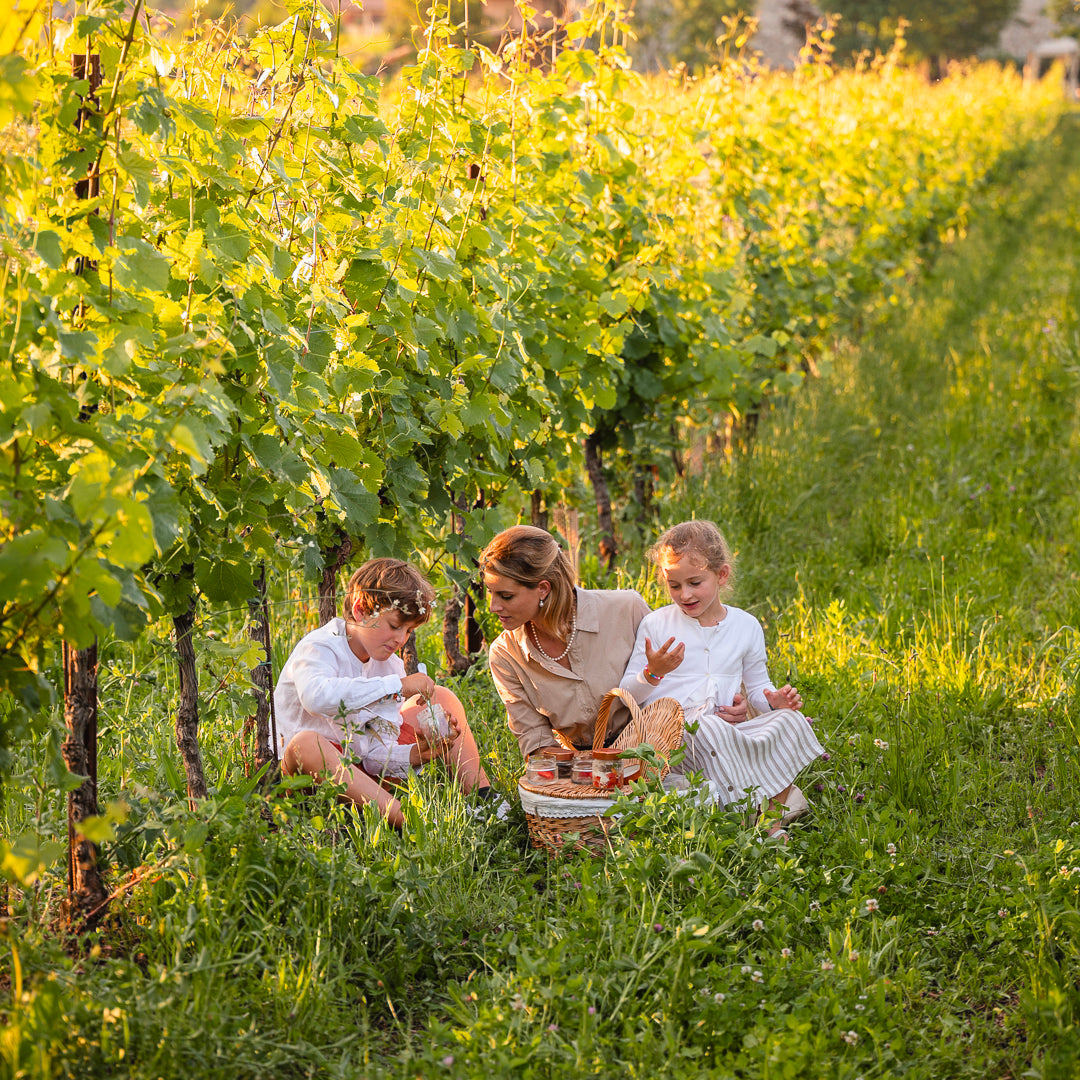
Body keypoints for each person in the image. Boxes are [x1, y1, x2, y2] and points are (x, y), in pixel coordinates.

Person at [619, 519, 824, 835]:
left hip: (726, 733)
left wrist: (773, 702)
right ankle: (759, 816)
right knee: (710, 726)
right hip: (673, 740)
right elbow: (626, 694)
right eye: (674, 585)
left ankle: (765, 818)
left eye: (695, 582)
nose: (685, 594)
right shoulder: (656, 625)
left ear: (722, 575)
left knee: (791, 721)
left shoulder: (746, 626)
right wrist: (653, 672)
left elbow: (757, 688)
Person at [480, 524, 749, 758]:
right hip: (580, 764)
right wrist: (587, 769)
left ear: (543, 589)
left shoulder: (625, 609)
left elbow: (689, 667)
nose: (493, 607)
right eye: (490, 593)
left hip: (656, 750)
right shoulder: (506, 654)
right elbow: (536, 742)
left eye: (506, 596)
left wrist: (735, 702)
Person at [273, 557, 491, 828]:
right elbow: (316, 698)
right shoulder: (320, 647)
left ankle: (485, 800)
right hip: (310, 773)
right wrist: (396, 687)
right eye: (395, 625)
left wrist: (415, 754)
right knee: (306, 743)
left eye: (409, 630)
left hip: (359, 772)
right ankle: (417, 821)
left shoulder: (389, 664)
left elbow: (374, 752)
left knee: (441, 697)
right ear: (360, 610)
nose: (401, 639)